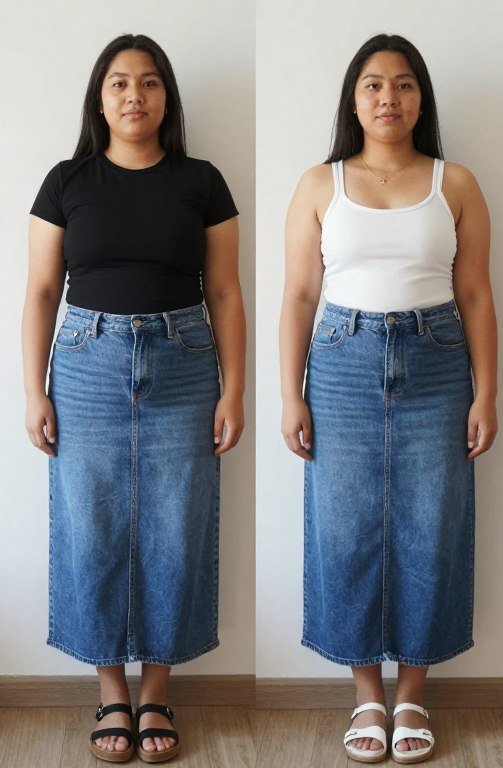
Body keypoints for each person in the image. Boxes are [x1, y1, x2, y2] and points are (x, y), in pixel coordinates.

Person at [23, 33, 245, 764]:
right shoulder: (66, 182)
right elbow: (40, 293)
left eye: (148, 84)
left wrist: (234, 389)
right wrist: (33, 391)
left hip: (184, 363)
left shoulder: (202, 182)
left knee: (175, 528)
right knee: (91, 526)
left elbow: (225, 292)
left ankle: (155, 692)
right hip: (85, 365)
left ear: (166, 99)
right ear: (99, 98)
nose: (133, 96)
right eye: (119, 84)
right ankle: (109, 691)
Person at [279, 33, 497, 764]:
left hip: (437, 361)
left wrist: (486, 393)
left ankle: (412, 695)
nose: (388, 99)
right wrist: (291, 395)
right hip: (339, 363)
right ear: (353, 98)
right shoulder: (320, 183)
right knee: (345, 527)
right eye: (373, 85)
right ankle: (365, 693)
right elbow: (300, 296)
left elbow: (475, 294)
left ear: (421, 99)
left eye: (403, 86)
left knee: (430, 526)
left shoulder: (455, 182)